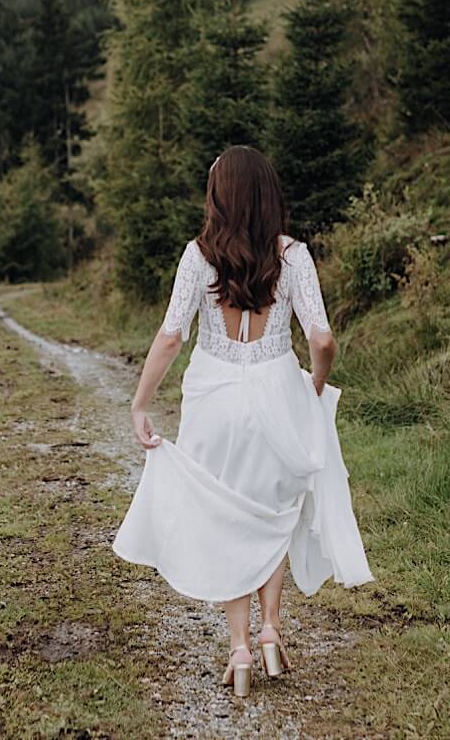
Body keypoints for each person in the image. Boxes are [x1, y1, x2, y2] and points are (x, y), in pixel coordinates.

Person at [113, 145, 373, 698]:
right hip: (278, 386)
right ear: (266, 193)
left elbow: (171, 335)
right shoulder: (294, 255)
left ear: (219, 196)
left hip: (214, 392)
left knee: (228, 512)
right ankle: (272, 629)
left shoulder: (198, 256)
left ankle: (238, 646)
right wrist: (317, 383)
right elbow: (322, 338)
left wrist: (140, 402)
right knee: (273, 509)